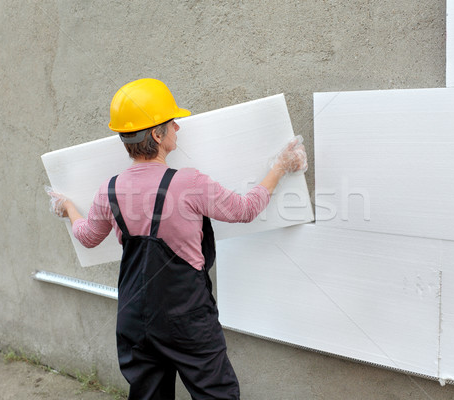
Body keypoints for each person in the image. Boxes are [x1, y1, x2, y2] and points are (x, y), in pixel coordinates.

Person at [48, 78, 307, 400]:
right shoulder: (189, 183)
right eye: (172, 123)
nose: (178, 129)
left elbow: (87, 236)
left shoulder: (108, 189)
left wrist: (69, 207)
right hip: (186, 317)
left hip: (133, 318)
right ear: (157, 134)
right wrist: (280, 167)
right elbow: (244, 210)